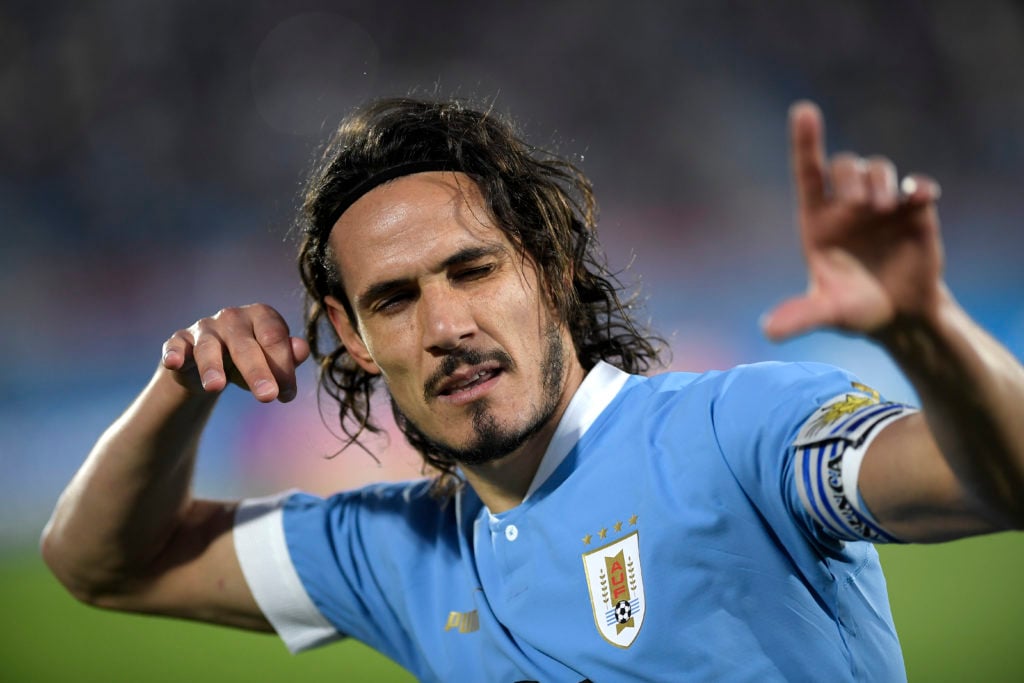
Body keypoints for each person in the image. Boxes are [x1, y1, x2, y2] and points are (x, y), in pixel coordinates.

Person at [41, 96, 1024, 682]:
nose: (444, 325)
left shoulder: (734, 432)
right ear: (352, 335)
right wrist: (182, 384)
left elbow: (998, 480)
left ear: (550, 265)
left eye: (472, 270)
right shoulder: (393, 552)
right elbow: (99, 563)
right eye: (393, 298)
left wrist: (926, 328)